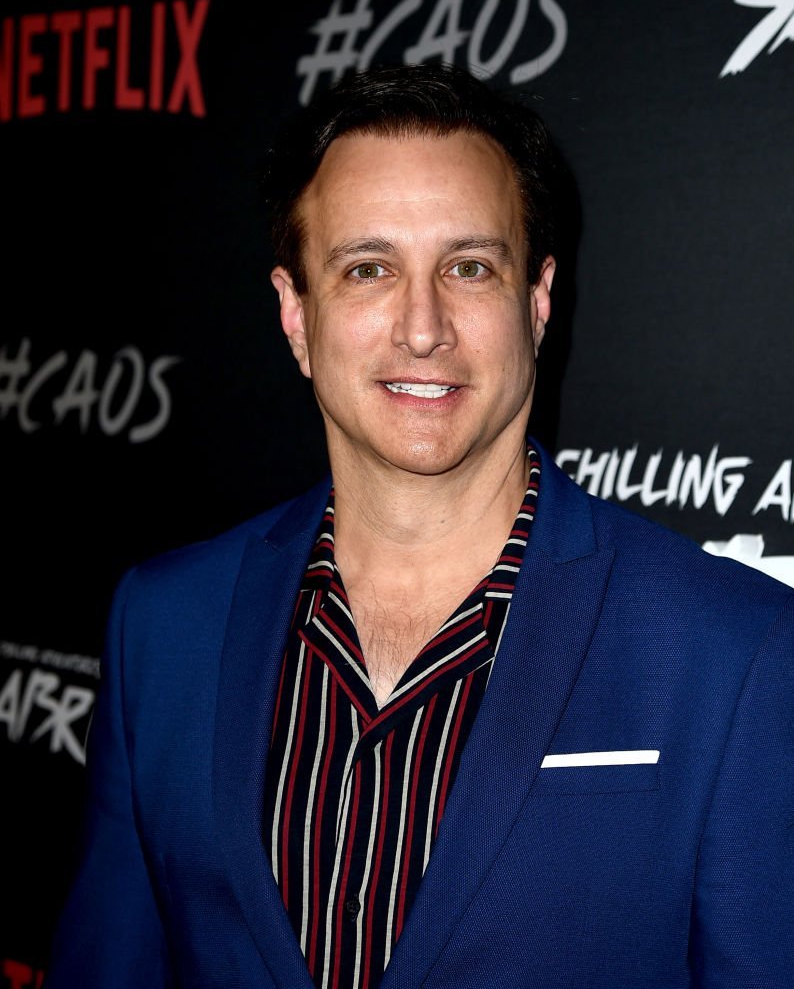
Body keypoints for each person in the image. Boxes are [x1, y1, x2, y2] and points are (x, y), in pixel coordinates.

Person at [46, 63, 793, 989]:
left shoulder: (733, 652)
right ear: (295, 313)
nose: (423, 325)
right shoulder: (162, 623)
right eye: (368, 268)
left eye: (469, 266)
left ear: (538, 299)